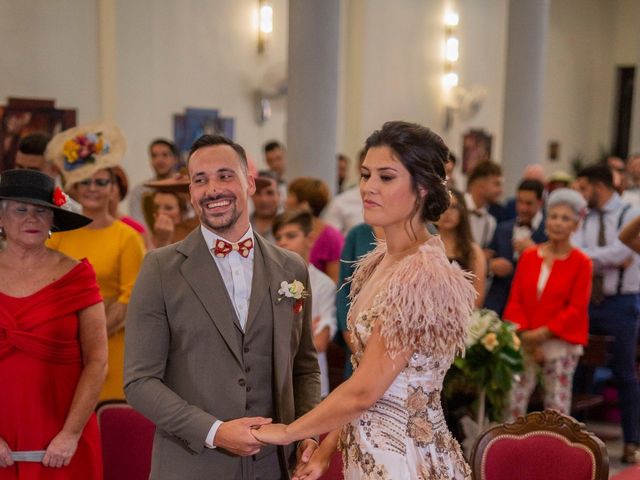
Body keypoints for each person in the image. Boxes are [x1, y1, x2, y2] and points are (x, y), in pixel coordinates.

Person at [252, 121, 474, 479]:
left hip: (405, 459)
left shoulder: (422, 274)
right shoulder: (381, 261)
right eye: (366, 175)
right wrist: (326, 449)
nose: (369, 188)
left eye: (386, 177)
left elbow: (365, 391)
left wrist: (291, 431)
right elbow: (366, 376)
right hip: (369, 451)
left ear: (421, 188)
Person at [123, 134, 320, 480]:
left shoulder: (291, 268)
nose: (212, 189)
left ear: (250, 183)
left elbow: (304, 367)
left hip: (274, 467)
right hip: (192, 465)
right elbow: (140, 382)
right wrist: (214, 431)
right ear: (191, 193)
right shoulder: (159, 268)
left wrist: (306, 433)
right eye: (200, 180)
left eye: (225, 175)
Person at [0, 169, 108, 478]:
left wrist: (71, 434)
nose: (31, 218)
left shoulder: (77, 277)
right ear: (1, 219)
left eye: (41, 211)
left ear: (53, 221)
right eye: (21, 209)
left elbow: (97, 361)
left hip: (63, 434)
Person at [44, 123, 145, 402]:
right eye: (85, 182)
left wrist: (90, 337)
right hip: (62, 347)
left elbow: (130, 299)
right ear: (73, 187)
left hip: (111, 349)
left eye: (101, 182)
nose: (93, 189)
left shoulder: (127, 237)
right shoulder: (58, 236)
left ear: (113, 187)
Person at [503, 188, 591, 420]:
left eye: (565, 218)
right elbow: (516, 299)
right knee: (513, 401)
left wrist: (542, 334)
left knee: (557, 408)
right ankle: (509, 451)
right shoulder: (530, 256)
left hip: (560, 342)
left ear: (576, 225)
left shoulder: (582, 263)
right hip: (525, 340)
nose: (558, 223)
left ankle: (556, 454)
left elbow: (576, 308)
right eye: (553, 216)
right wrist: (527, 336)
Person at [572, 164, 640, 464]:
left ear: (599, 186)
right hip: (586, 300)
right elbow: (574, 253)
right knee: (576, 368)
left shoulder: (628, 212)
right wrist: (599, 259)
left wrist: (588, 259)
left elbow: (622, 251)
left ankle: (632, 441)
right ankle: (573, 441)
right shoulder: (584, 215)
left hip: (619, 302)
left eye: (584, 188)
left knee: (625, 372)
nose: (581, 195)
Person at [272, 210, 337, 397]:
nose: (282, 242)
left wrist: (281, 338)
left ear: (310, 239)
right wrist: (303, 331)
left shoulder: (323, 285)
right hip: (275, 381)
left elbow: (320, 342)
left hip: (311, 382)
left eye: (291, 235)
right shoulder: (268, 280)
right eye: (278, 237)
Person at [485, 179, 547, 317]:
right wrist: (491, 266)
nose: (523, 208)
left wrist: (536, 252)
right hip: (497, 305)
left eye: (529, 203)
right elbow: (486, 258)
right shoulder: (502, 228)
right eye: (520, 202)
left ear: (540, 203)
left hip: (532, 307)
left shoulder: (549, 231)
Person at [286, 177, 344, 283]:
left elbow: (334, 282)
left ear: (304, 204)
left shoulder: (331, 237)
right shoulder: (285, 231)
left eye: (290, 196)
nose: (285, 201)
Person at [435, 189, 486, 307]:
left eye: (453, 207)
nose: (447, 212)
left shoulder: (473, 250)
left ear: (462, 211)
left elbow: (478, 295)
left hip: (464, 316)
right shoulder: (424, 247)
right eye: (443, 206)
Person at [128, 138, 180, 227]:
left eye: (165, 155)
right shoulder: (139, 191)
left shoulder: (185, 188)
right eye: (154, 155)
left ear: (175, 159)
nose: (159, 160)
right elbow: (138, 225)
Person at [464, 160, 504, 249]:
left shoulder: (490, 222)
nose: (501, 190)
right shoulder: (454, 207)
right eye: (496, 184)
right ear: (480, 185)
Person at [250, 170, 281, 243]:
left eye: (270, 193)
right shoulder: (241, 227)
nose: (263, 199)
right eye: (258, 193)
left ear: (279, 195)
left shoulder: (289, 226)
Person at [264, 140, 288, 209]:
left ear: (285, 157)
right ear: (266, 161)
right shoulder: (264, 186)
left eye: (278, 158)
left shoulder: (293, 182)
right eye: (270, 160)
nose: (275, 164)